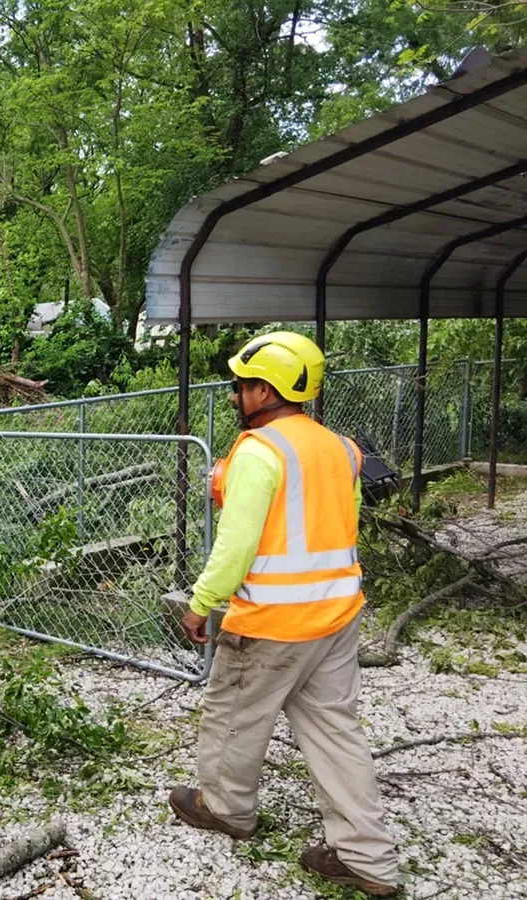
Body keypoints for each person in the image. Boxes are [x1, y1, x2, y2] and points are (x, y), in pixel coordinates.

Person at [168, 332, 399, 897]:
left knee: (232, 718)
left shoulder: (260, 452)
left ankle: (224, 808)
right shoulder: (341, 448)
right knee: (335, 732)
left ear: (263, 390)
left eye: (239, 386)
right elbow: (338, 526)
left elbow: (235, 545)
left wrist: (201, 604)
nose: (231, 397)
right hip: (338, 618)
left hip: (273, 623)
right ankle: (369, 858)